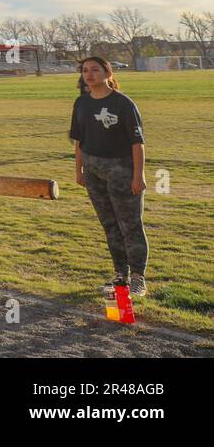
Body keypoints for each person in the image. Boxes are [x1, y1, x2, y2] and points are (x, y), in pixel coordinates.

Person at [72, 57, 148, 297]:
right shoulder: (81, 103)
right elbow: (79, 141)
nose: (89, 74)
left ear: (107, 73)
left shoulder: (123, 104)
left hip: (121, 171)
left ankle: (138, 277)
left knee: (130, 225)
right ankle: (120, 276)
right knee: (109, 224)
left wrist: (138, 176)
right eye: (85, 70)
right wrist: (79, 170)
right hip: (93, 171)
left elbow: (138, 143)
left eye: (95, 70)